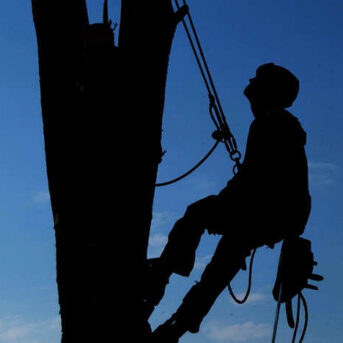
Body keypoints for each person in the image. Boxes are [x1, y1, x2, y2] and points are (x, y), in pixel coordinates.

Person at [145, 63, 311, 342]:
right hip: (282, 215)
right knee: (226, 258)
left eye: (255, 85)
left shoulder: (269, 123)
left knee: (198, 215)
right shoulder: (281, 124)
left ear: (266, 92)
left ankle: (160, 280)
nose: (249, 88)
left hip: (267, 209)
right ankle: (179, 325)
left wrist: (222, 205)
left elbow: (252, 180)